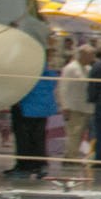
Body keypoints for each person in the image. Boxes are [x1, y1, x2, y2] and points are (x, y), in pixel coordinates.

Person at [9, 50, 60, 180]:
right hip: (42, 109)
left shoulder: (28, 69)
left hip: (26, 107)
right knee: (39, 137)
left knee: (23, 138)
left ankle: (24, 166)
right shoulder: (49, 71)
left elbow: (20, 87)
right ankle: (39, 165)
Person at [56, 43, 92, 167]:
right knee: (73, 133)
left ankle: (72, 155)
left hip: (85, 107)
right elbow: (63, 88)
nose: (92, 57)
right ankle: (71, 157)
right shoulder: (71, 68)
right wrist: (64, 105)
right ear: (82, 54)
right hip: (73, 107)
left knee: (79, 134)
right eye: (90, 55)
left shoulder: (88, 69)